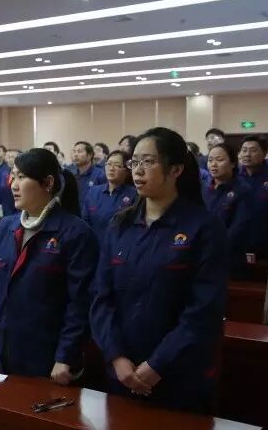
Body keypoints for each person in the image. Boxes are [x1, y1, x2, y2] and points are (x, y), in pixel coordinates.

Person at [91, 128, 228, 413]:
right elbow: (101, 298)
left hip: (179, 375)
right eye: (134, 162)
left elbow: (204, 310)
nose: (138, 170)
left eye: (149, 161)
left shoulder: (203, 228)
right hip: (122, 373)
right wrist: (116, 357)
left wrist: (157, 364)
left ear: (175, 169)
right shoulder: (120, 225)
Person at [0, 148, 98, 383]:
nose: (13, 184)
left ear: (48, 183)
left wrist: (66, 355)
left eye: (22, 177)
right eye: (13, 176)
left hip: (45, 357)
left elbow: (80, 302)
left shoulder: (76, 233)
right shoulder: (4, 228)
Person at [204, 143, 255, 277]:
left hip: (229, 257)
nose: (213, 164)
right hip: (203, 256)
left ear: (232, 163)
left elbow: (239, 227)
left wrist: (215, 248)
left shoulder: (243, 190)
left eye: (219, 160)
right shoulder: (204, 190)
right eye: (210, 160)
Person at [82, 149, 137, 242]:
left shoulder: (134, 194)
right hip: (93, 244)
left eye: (117, 165)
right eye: (109, 164)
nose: (111, 168)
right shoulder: (93, 191)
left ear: (127, 170)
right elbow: (85, 221)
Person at [66, 141, 107, 207]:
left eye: (79, 151)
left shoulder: (100, 175)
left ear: (90, 155)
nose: (75, 154)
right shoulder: (70, 174)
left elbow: (104, 199)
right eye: (74, 151)